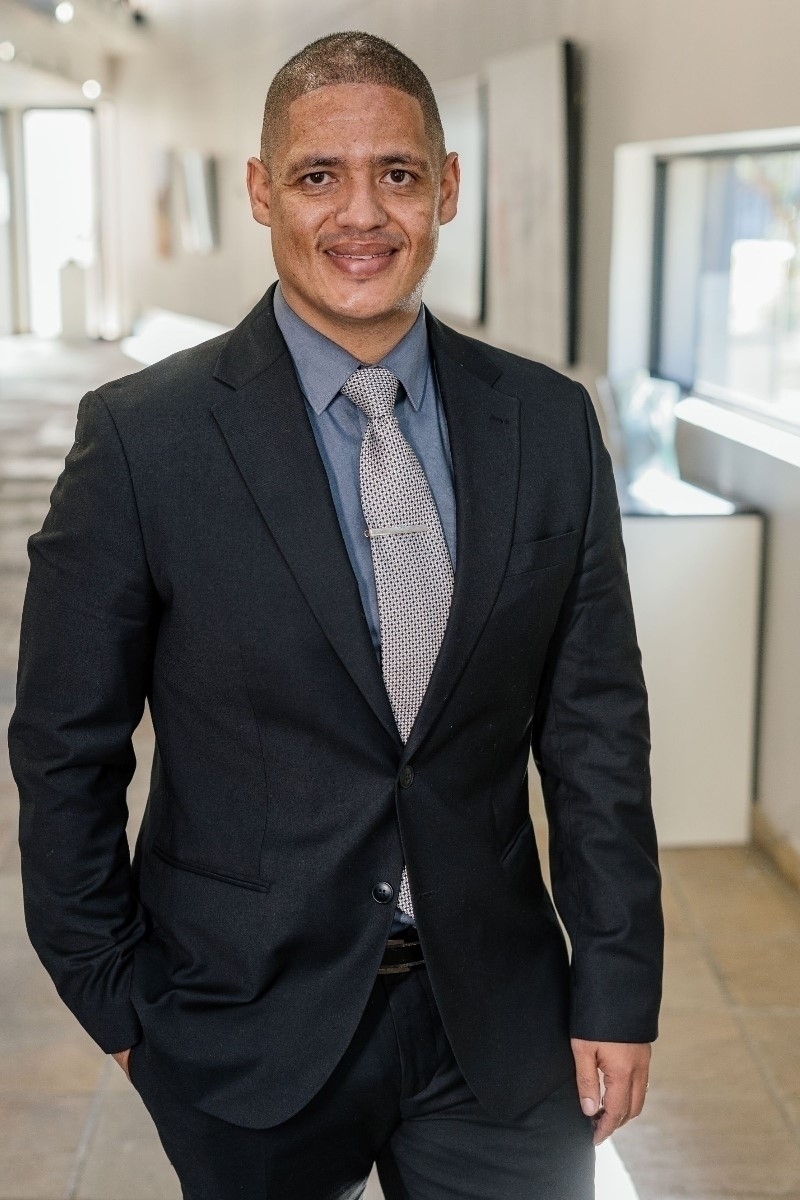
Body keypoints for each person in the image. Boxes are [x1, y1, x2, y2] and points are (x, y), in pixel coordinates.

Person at [8, 30, 663, 1200]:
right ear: (263, 190)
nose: (361, 214)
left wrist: (615, 987)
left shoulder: (547, 425)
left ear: (444, 187)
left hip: (498, 1024)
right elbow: (65, 747)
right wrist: (117, 1000)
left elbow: (595, 736)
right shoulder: (144, 441)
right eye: (319, 175)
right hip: (241, 1025)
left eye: (395, 173)